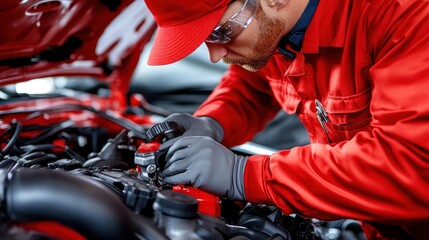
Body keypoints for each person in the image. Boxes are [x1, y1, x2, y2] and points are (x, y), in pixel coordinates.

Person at [143, 0, 429, 239]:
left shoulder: (406, 15)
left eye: (220, 32)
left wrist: (243, 175)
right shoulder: (277, 26)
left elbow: (408, 166)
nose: (216, 55)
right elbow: (253, 84)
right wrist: (211, 123)